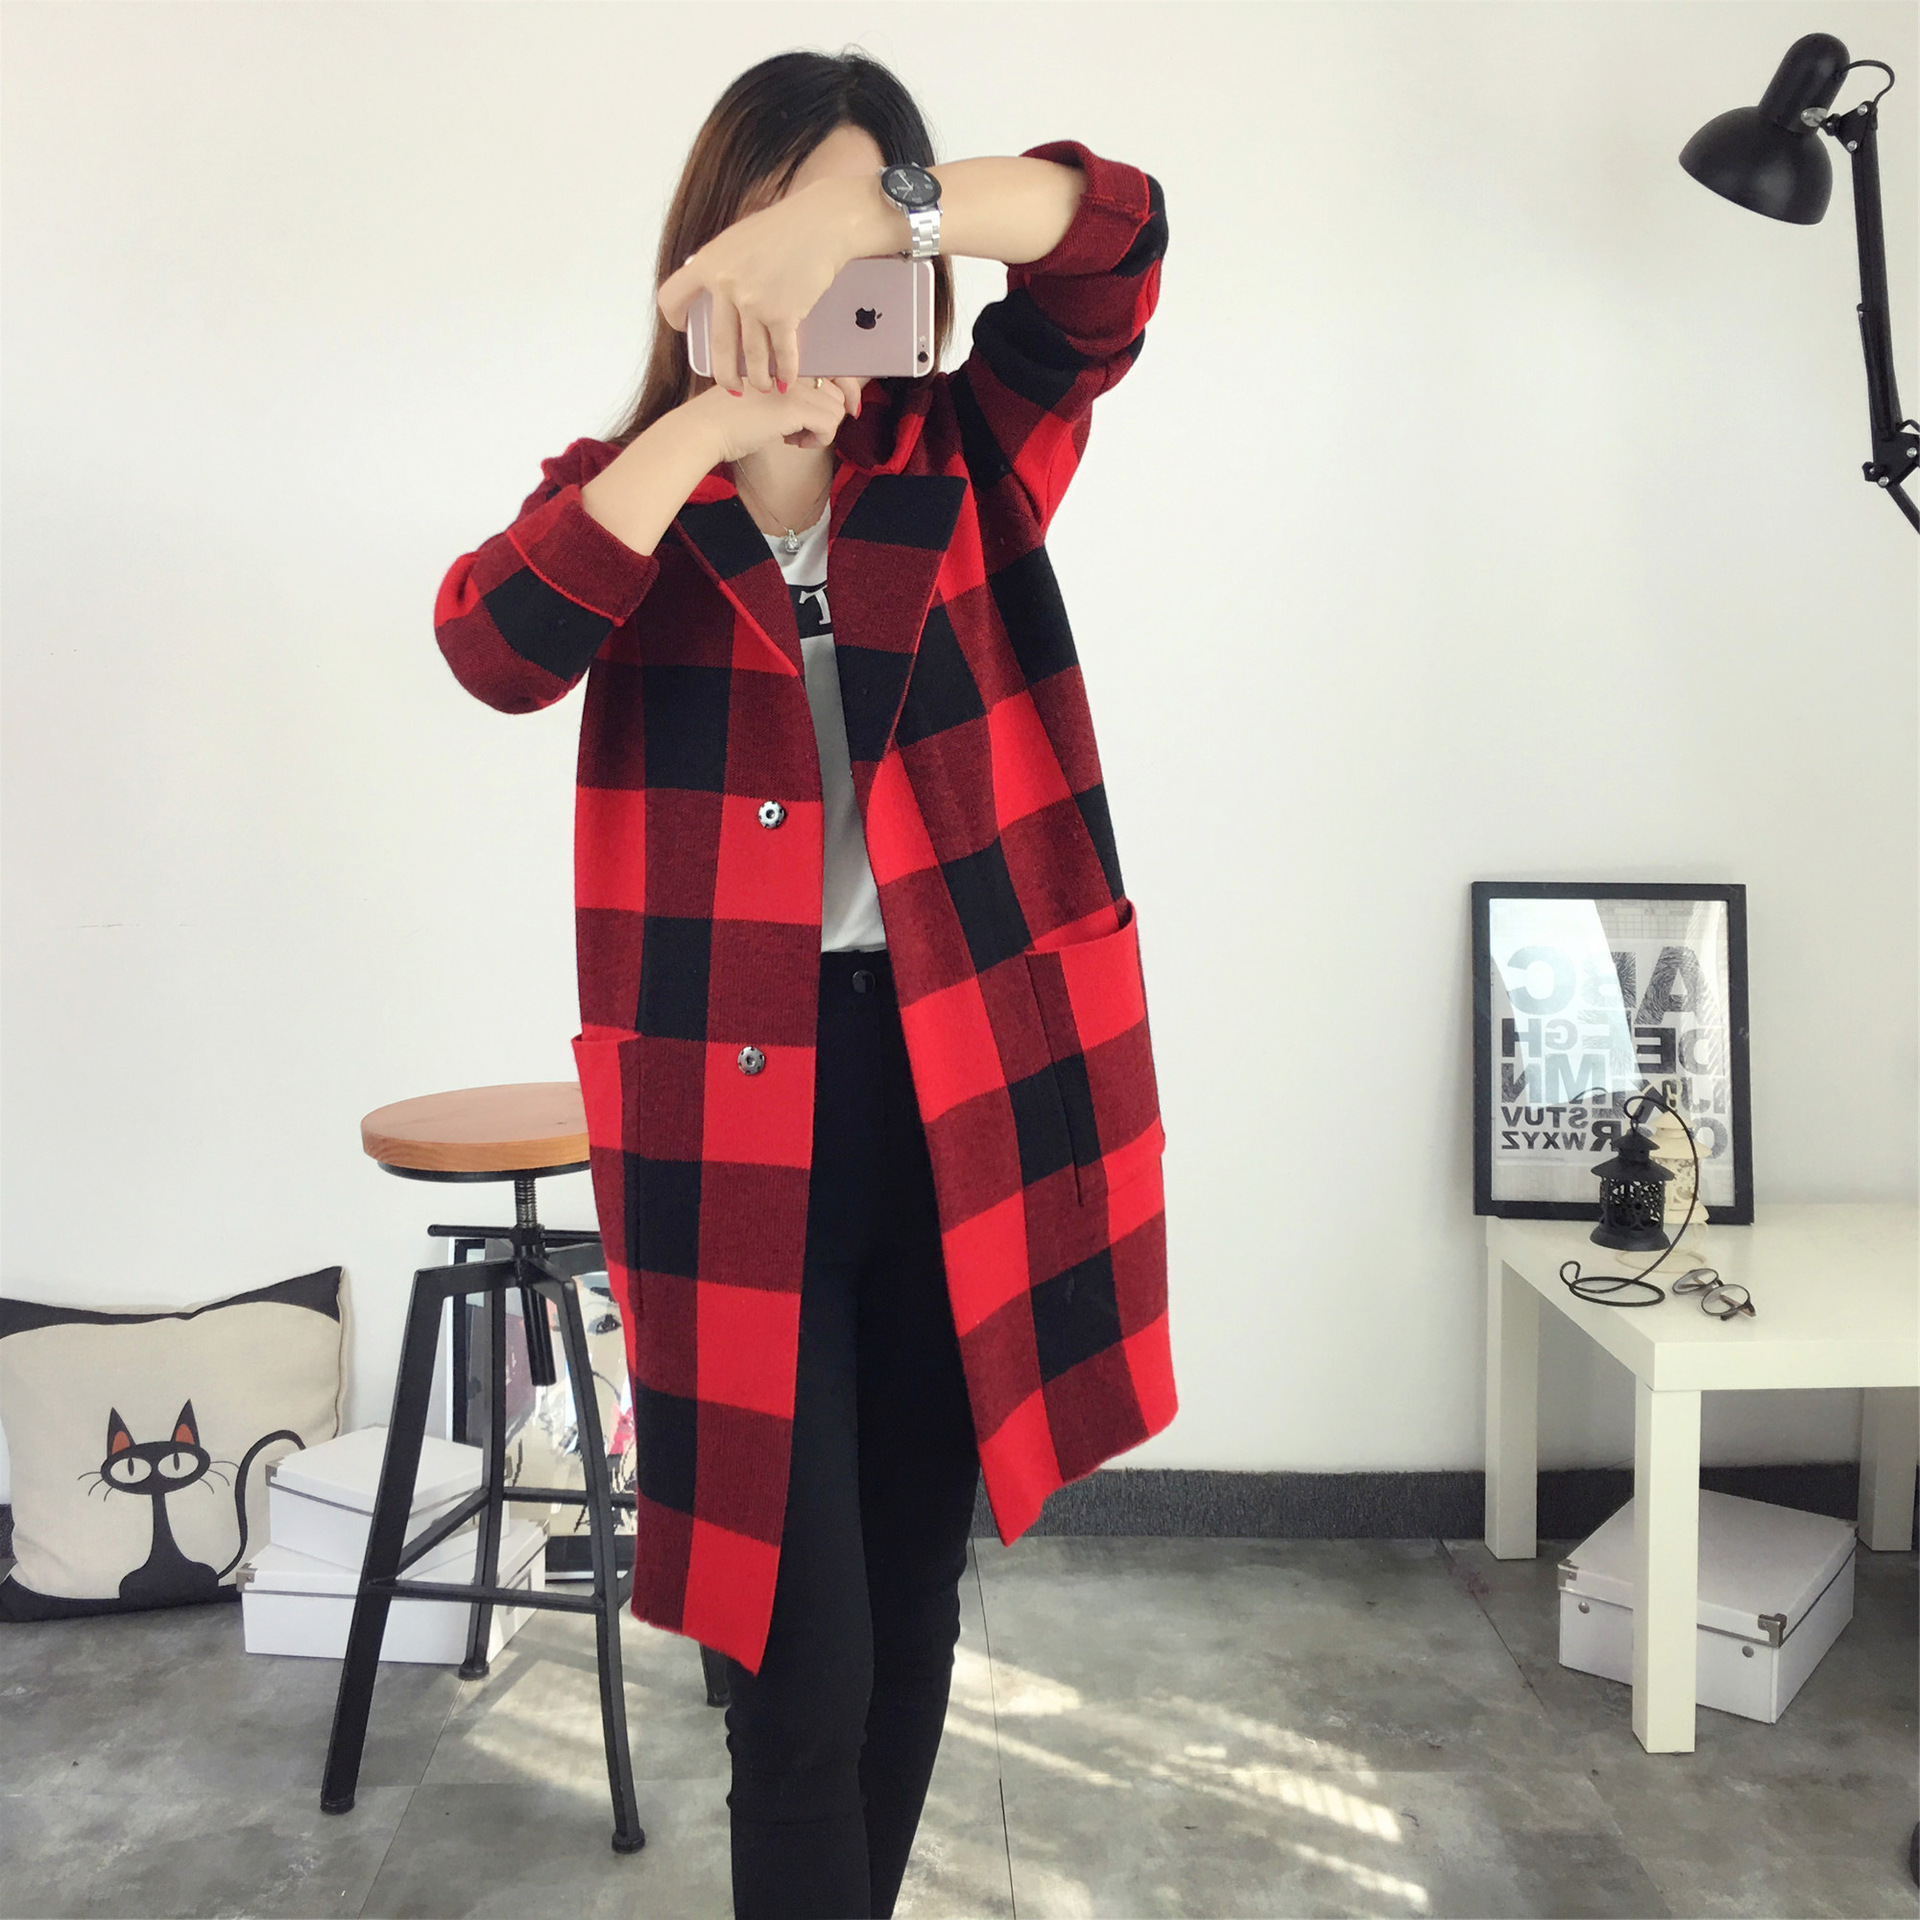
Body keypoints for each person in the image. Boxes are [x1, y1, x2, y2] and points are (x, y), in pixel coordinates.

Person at [433, 45, 1175, 1920]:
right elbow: (494, 648)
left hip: (967, 1101)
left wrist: (890, 204)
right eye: (785, 230)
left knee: (911, 1602)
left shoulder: (972, 456)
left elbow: (1117, 241)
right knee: (793, 1658)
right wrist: (699, 422)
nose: (827, 276)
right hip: (737, 1131)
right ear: (709, 251)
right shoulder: (628, 509)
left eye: (863, 239)